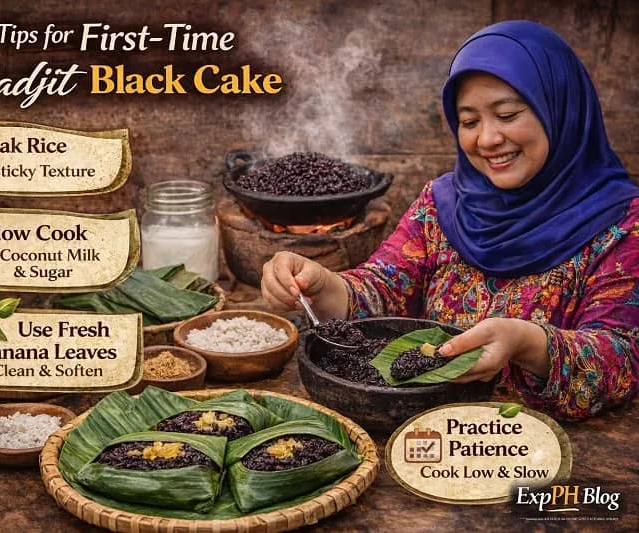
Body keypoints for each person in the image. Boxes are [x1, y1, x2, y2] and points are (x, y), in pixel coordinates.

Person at [260, 20, 639, 421]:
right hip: (424, 439)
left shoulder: (621, 225)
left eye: (507, 115)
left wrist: (526, 343)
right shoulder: (443, 204)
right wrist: (320, 287)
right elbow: (384, 289)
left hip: (536, 455)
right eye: (470, 121)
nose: (487, 139)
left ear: (560, 108)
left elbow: (621, 362)